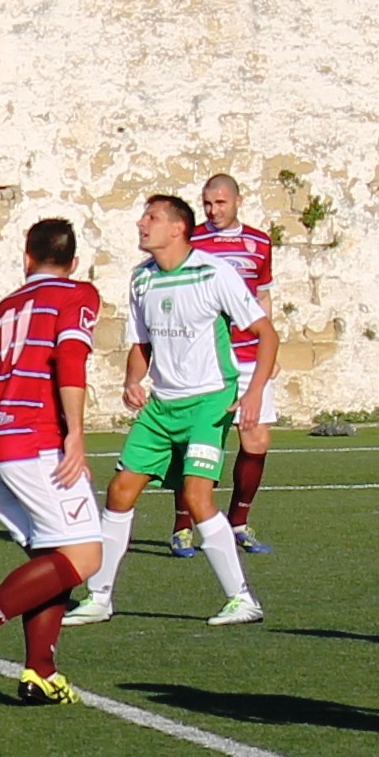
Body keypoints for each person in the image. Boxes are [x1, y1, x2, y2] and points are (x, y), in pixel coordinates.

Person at [71, 193, 276, 629]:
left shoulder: (212, 272)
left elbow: (267, 333)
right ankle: (99, 597)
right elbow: (141, 344)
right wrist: (132, 381)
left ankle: (242, 600)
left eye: (152, 217)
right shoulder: (142, 279)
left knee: (197, 497)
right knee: (120, 490)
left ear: (178, 228)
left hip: (208, 402)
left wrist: (255, 391)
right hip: (162, 405)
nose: (141, 224)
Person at [0, 219, 104, 707]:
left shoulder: (3, 308)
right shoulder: (77, 294)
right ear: (73, 262)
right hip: (34, 438)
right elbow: (70, 359)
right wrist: (75, 434)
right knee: (85, 556)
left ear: (27, 257)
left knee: (53, 557)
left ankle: (41, 670)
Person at [181, 172, 279, 556]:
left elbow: (263, 298)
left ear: (238, 201)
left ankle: (239, 521)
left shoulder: (259, 243)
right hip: (207, 356)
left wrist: (270, 351)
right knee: (195, 441)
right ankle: (182, 526)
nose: (213, 210)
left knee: (256, 438)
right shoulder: (191, 242)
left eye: (220, 202)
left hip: (249, 354)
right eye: (207, 203)